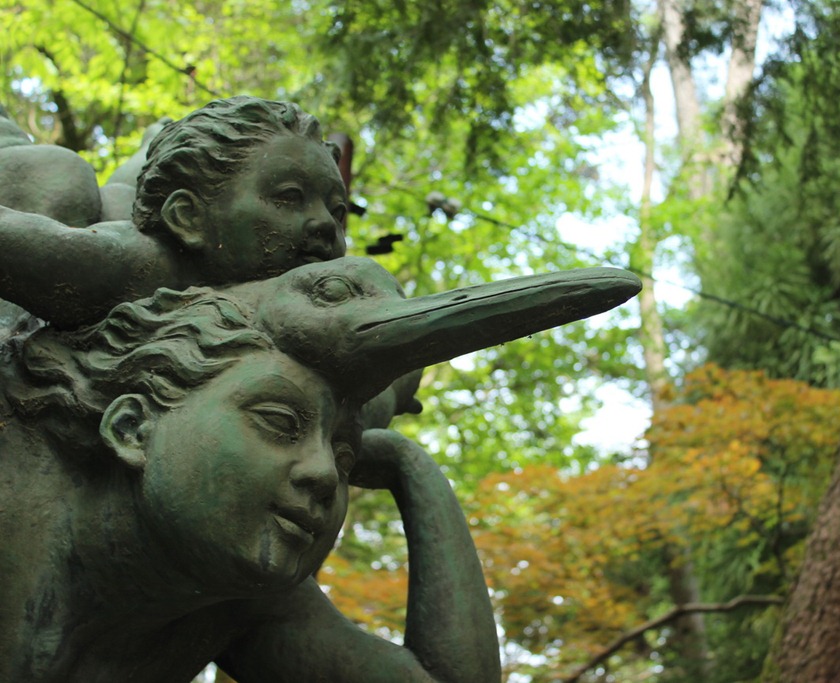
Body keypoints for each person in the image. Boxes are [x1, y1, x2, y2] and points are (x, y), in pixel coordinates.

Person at [0, 260, 507, 682]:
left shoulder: (242, 607)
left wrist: (408, 464)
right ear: (132, 426)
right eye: (278, 421)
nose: (325, 475)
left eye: (344, 458)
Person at [0, 96, 348, 329]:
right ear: (189, 218)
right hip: (33, 178)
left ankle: (152, 140)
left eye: (338, 212)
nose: (326, 224)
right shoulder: (141, 266)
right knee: (65, 176)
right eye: (290, 197)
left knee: (118, 193)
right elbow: (31, 244)